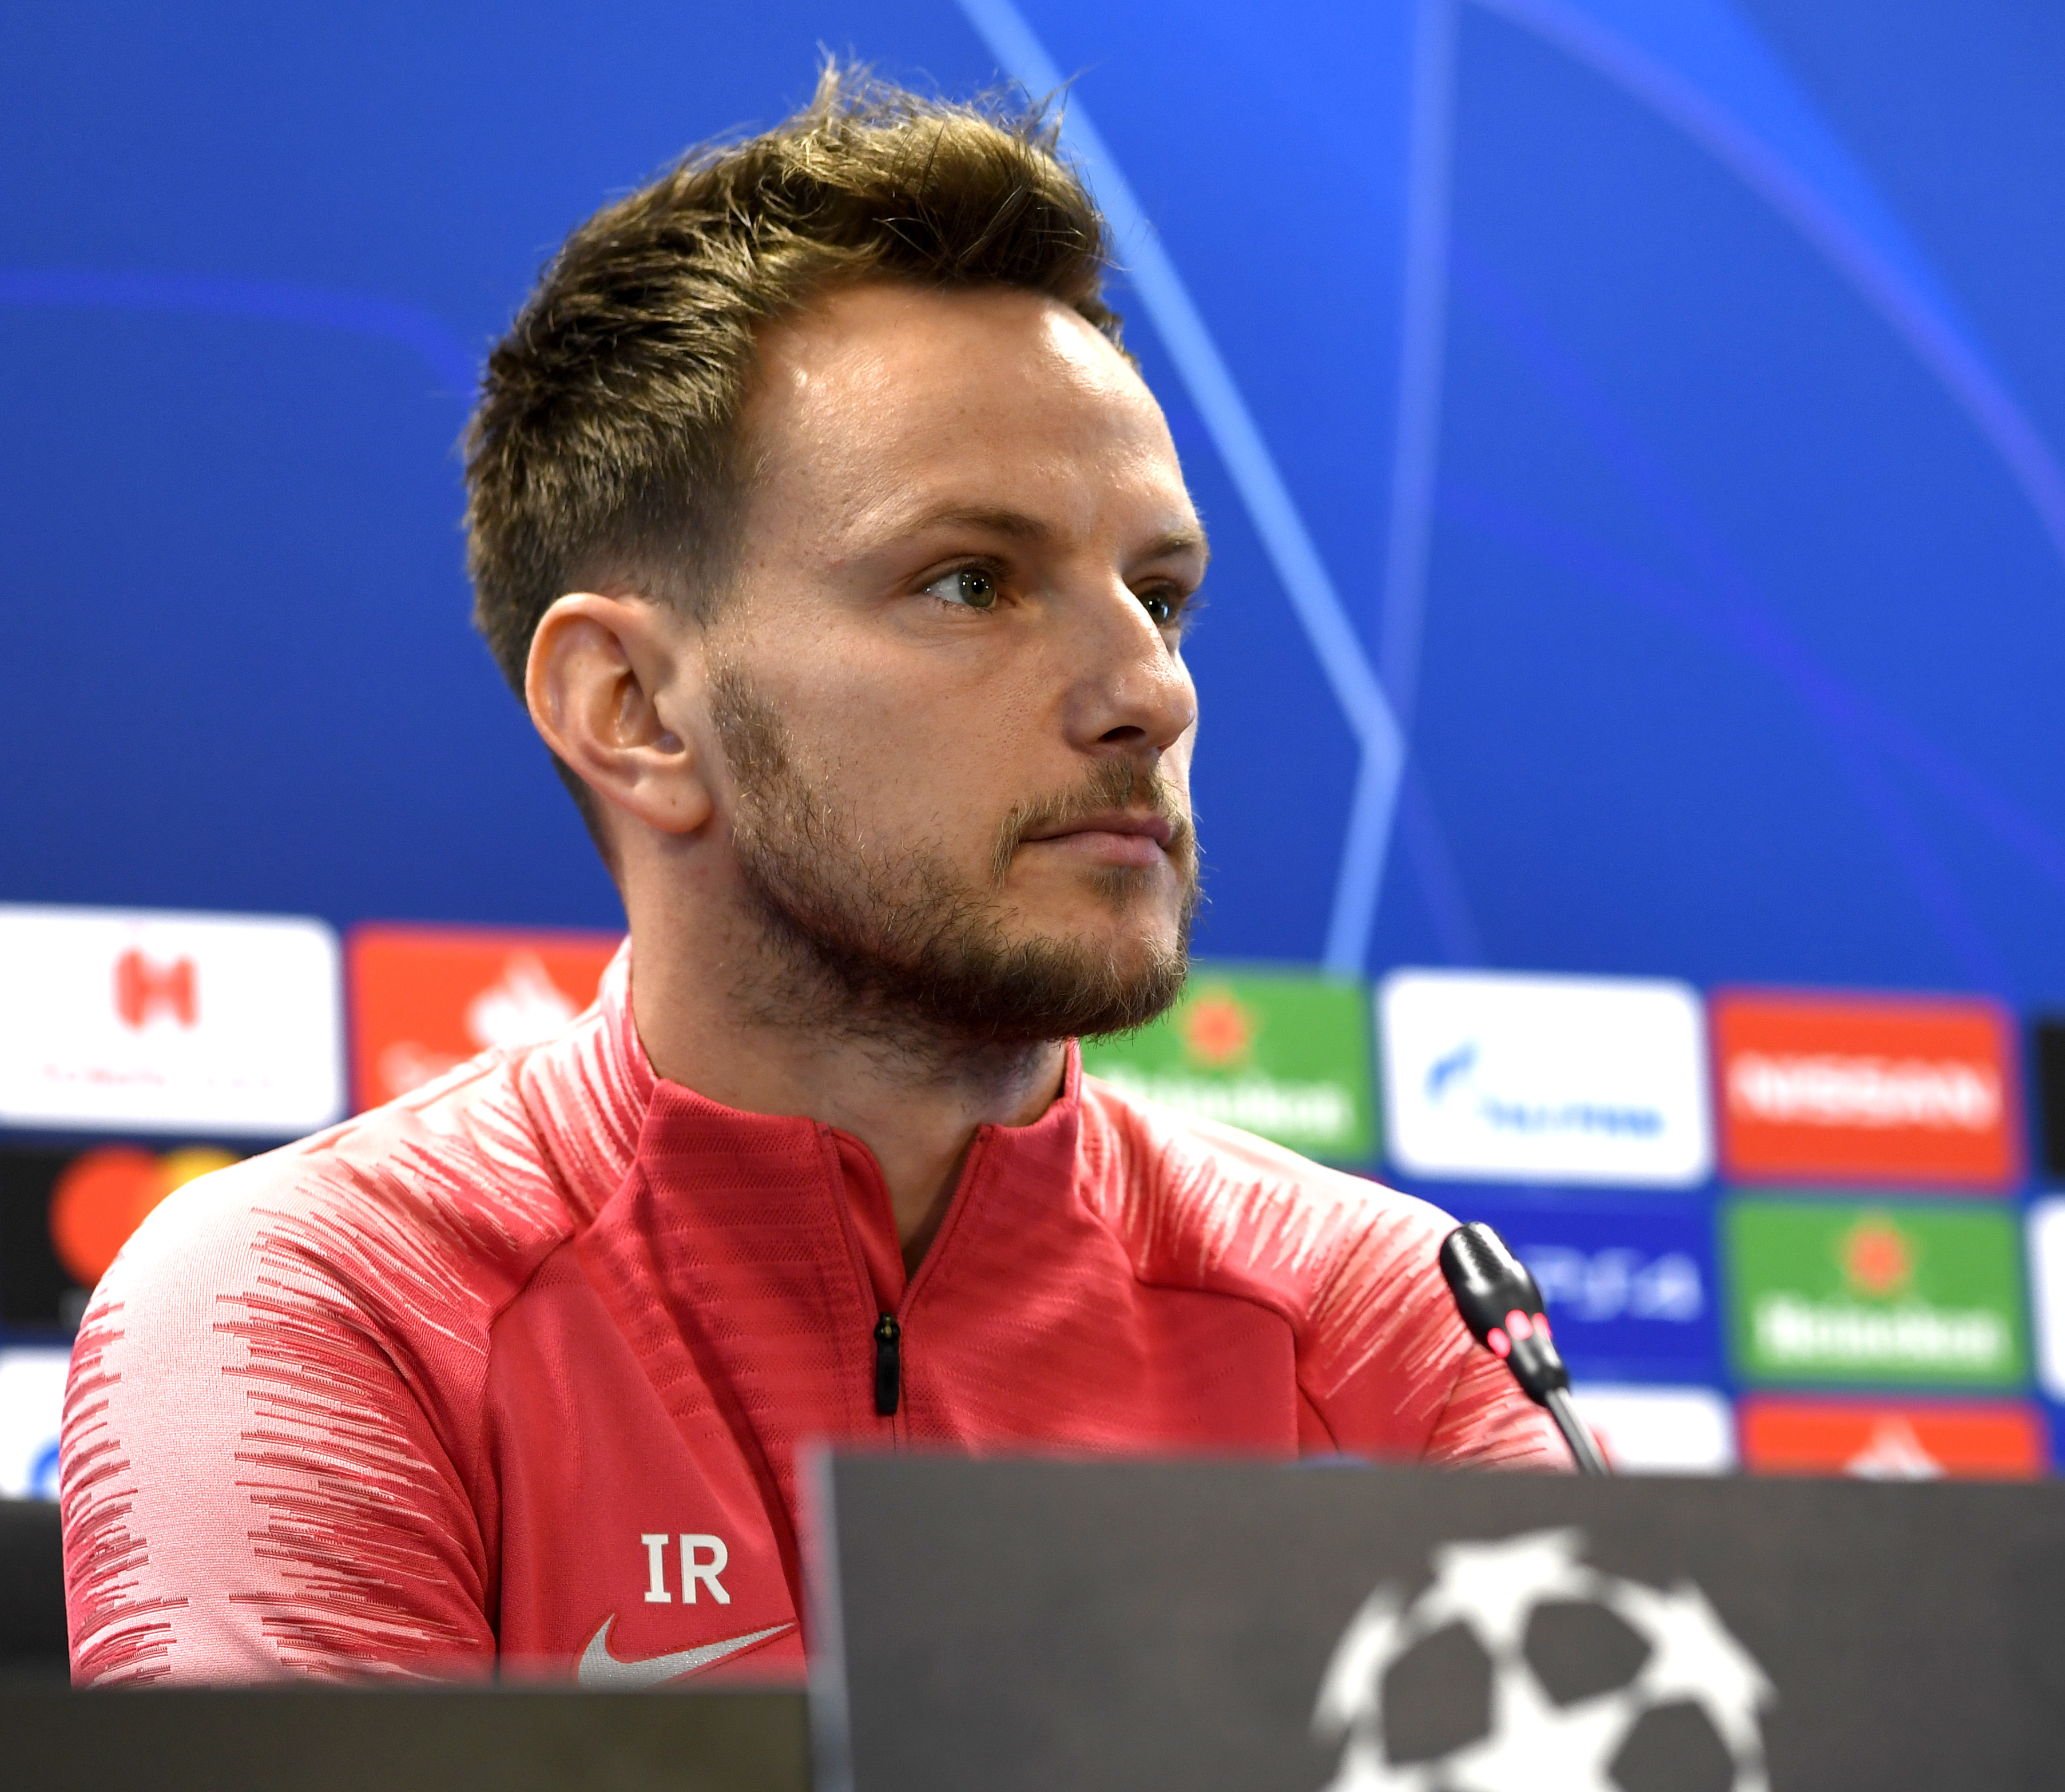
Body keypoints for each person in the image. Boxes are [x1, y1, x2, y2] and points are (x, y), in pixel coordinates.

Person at [59, 69, 1564, 1688]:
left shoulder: (1394, 1314)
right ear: (633, 711)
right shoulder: (320, 1305)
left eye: (1162, 594)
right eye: (972, 582)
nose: (1152, 690)